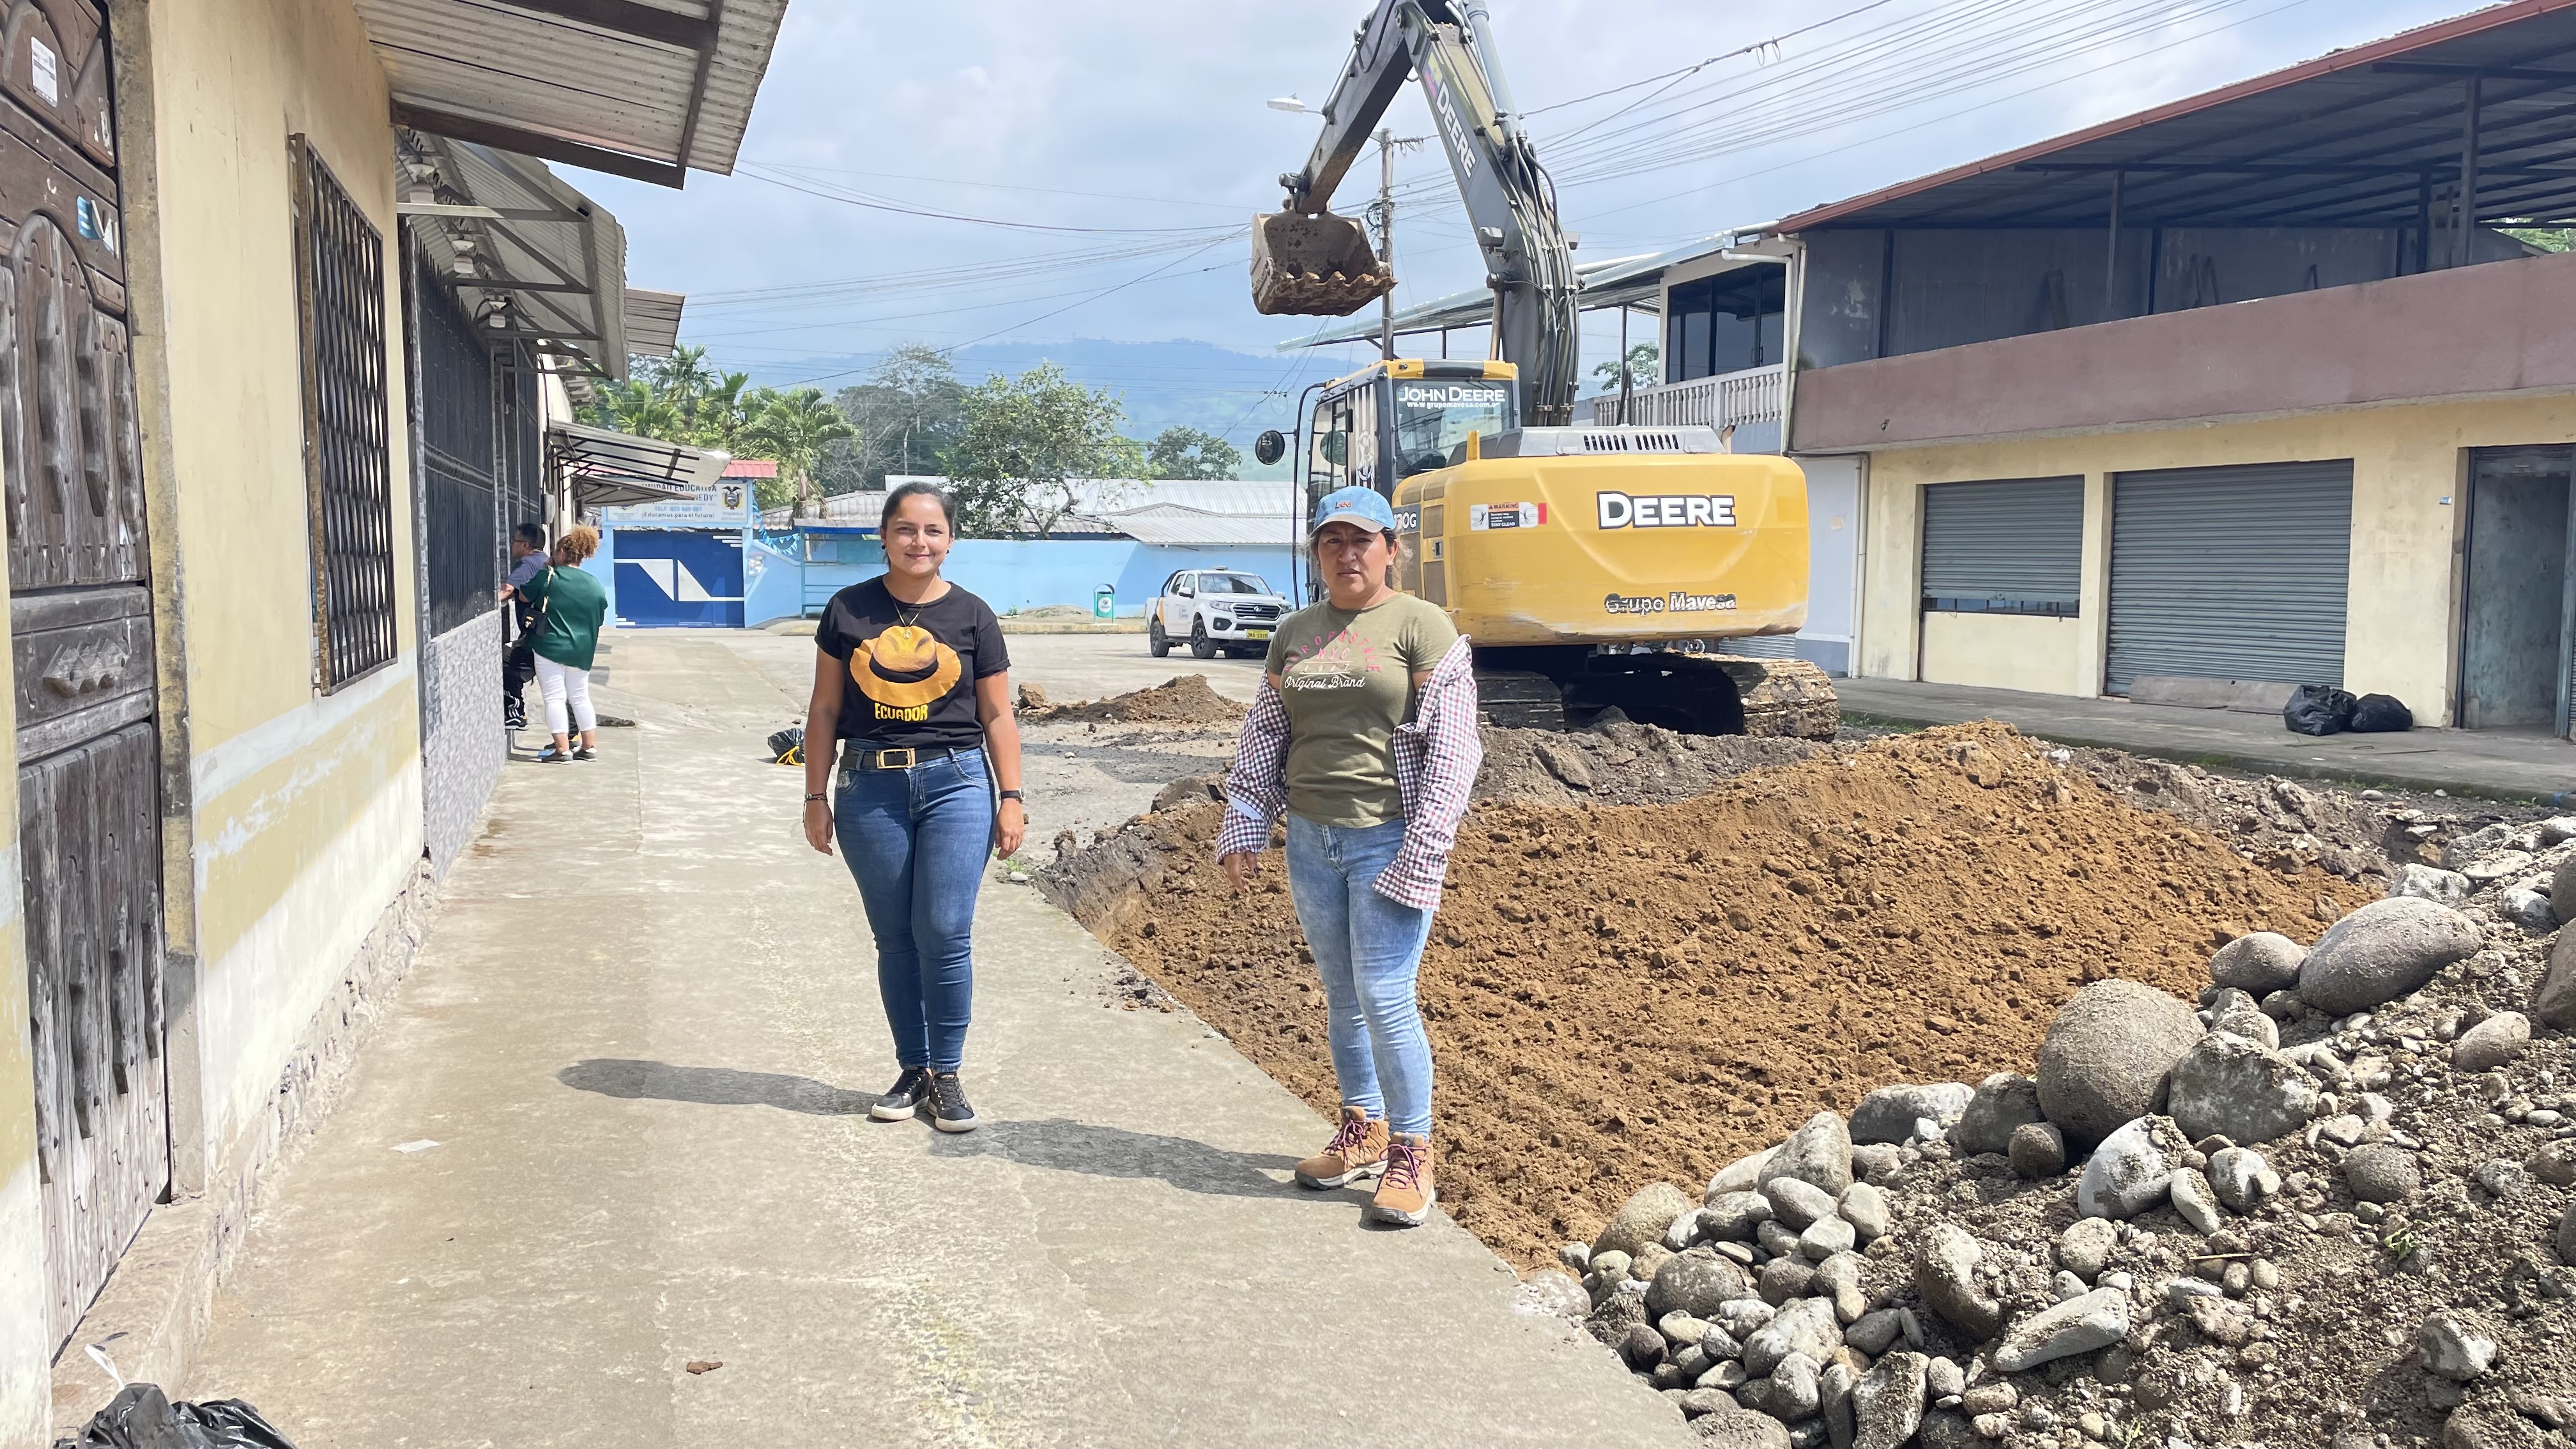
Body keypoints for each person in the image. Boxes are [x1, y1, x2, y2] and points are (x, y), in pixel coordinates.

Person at [1216, 485, 1482, 1227]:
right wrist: (1245, 819)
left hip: (1388, 836)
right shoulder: (1295, 633)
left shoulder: (1422, 626)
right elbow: (1267, 734)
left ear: (1391, 549)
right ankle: (1362, 1127)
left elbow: (1455, 748)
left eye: (1362, 540)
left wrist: (1425, 849)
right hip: (1311, 839)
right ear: (1317, 554)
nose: (1347, 554)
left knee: (1386, 994)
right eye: (1332, 541)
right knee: (1342, 995)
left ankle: (1413, 1151)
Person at [802, 481, 1027, 1134]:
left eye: (933, 531)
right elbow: (823, 709)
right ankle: (915, 1069)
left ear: (950, 541)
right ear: (883, 536)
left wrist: (1011, 798)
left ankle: (948, 1074)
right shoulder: (848, 610)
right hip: (869, 786)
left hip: (957, 783)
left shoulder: (974, 616)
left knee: (945, 929)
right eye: (905, 529)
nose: (918, 542)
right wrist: (814, 795)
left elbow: (997, 715)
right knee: (895, 936)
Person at [519, 526, 610, 763]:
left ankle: (562, 750)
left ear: (560, 552)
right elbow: (599, 617)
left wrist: (546, 567)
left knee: (555, 698)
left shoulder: (550, 576)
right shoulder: (594, 584)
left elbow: (524, 596)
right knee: (580, 697)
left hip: (550, 646)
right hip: (582, 650)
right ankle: (589, 747)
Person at [499, 521, 548, 730]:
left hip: (535, 636)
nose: (512, 545)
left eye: (515, 541)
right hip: (549, 632)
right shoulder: (545, 561)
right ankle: (572, 735)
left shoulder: (527, 564)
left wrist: (488, 603)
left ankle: (515, 715)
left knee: (508, 662)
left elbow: (508, 589)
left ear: (526, 545)